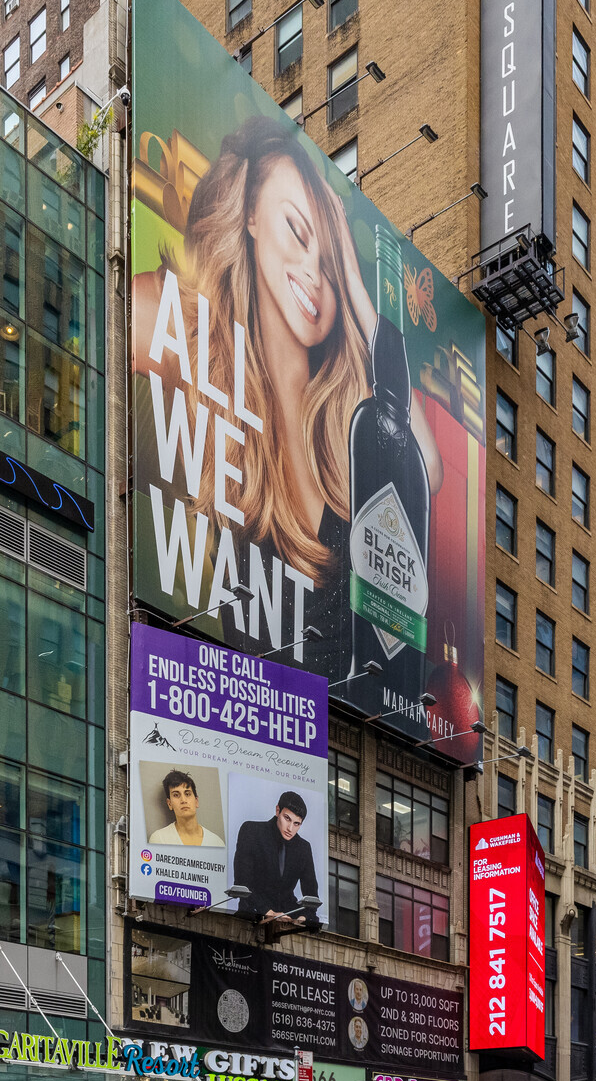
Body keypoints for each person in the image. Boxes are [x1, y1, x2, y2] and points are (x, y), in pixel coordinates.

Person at [129, 116, 446, 689]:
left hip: (341, 732)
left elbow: (428, 470)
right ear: (249, 214)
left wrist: (354, 279)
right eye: (298, 233)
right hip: (249, 732)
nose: (312, 275)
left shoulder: (346, 415)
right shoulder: (191, 331)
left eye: (329, 263)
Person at [233, 791, 321, 922]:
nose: (290, 828)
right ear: (277, 810)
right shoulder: (252, 831)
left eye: (297, 824)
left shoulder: (304, 848)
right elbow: (242, 883)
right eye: (287, 818)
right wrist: (268, 912)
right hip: (252, 916)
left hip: (288, 920)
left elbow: (312, 897)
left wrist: (304, 917)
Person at [149, 770, 224, 847]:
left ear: (196, 801)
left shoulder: (216, 842)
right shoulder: (159, 839)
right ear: (169, 804)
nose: (183, 800)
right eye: (176, 795)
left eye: (187, 794)